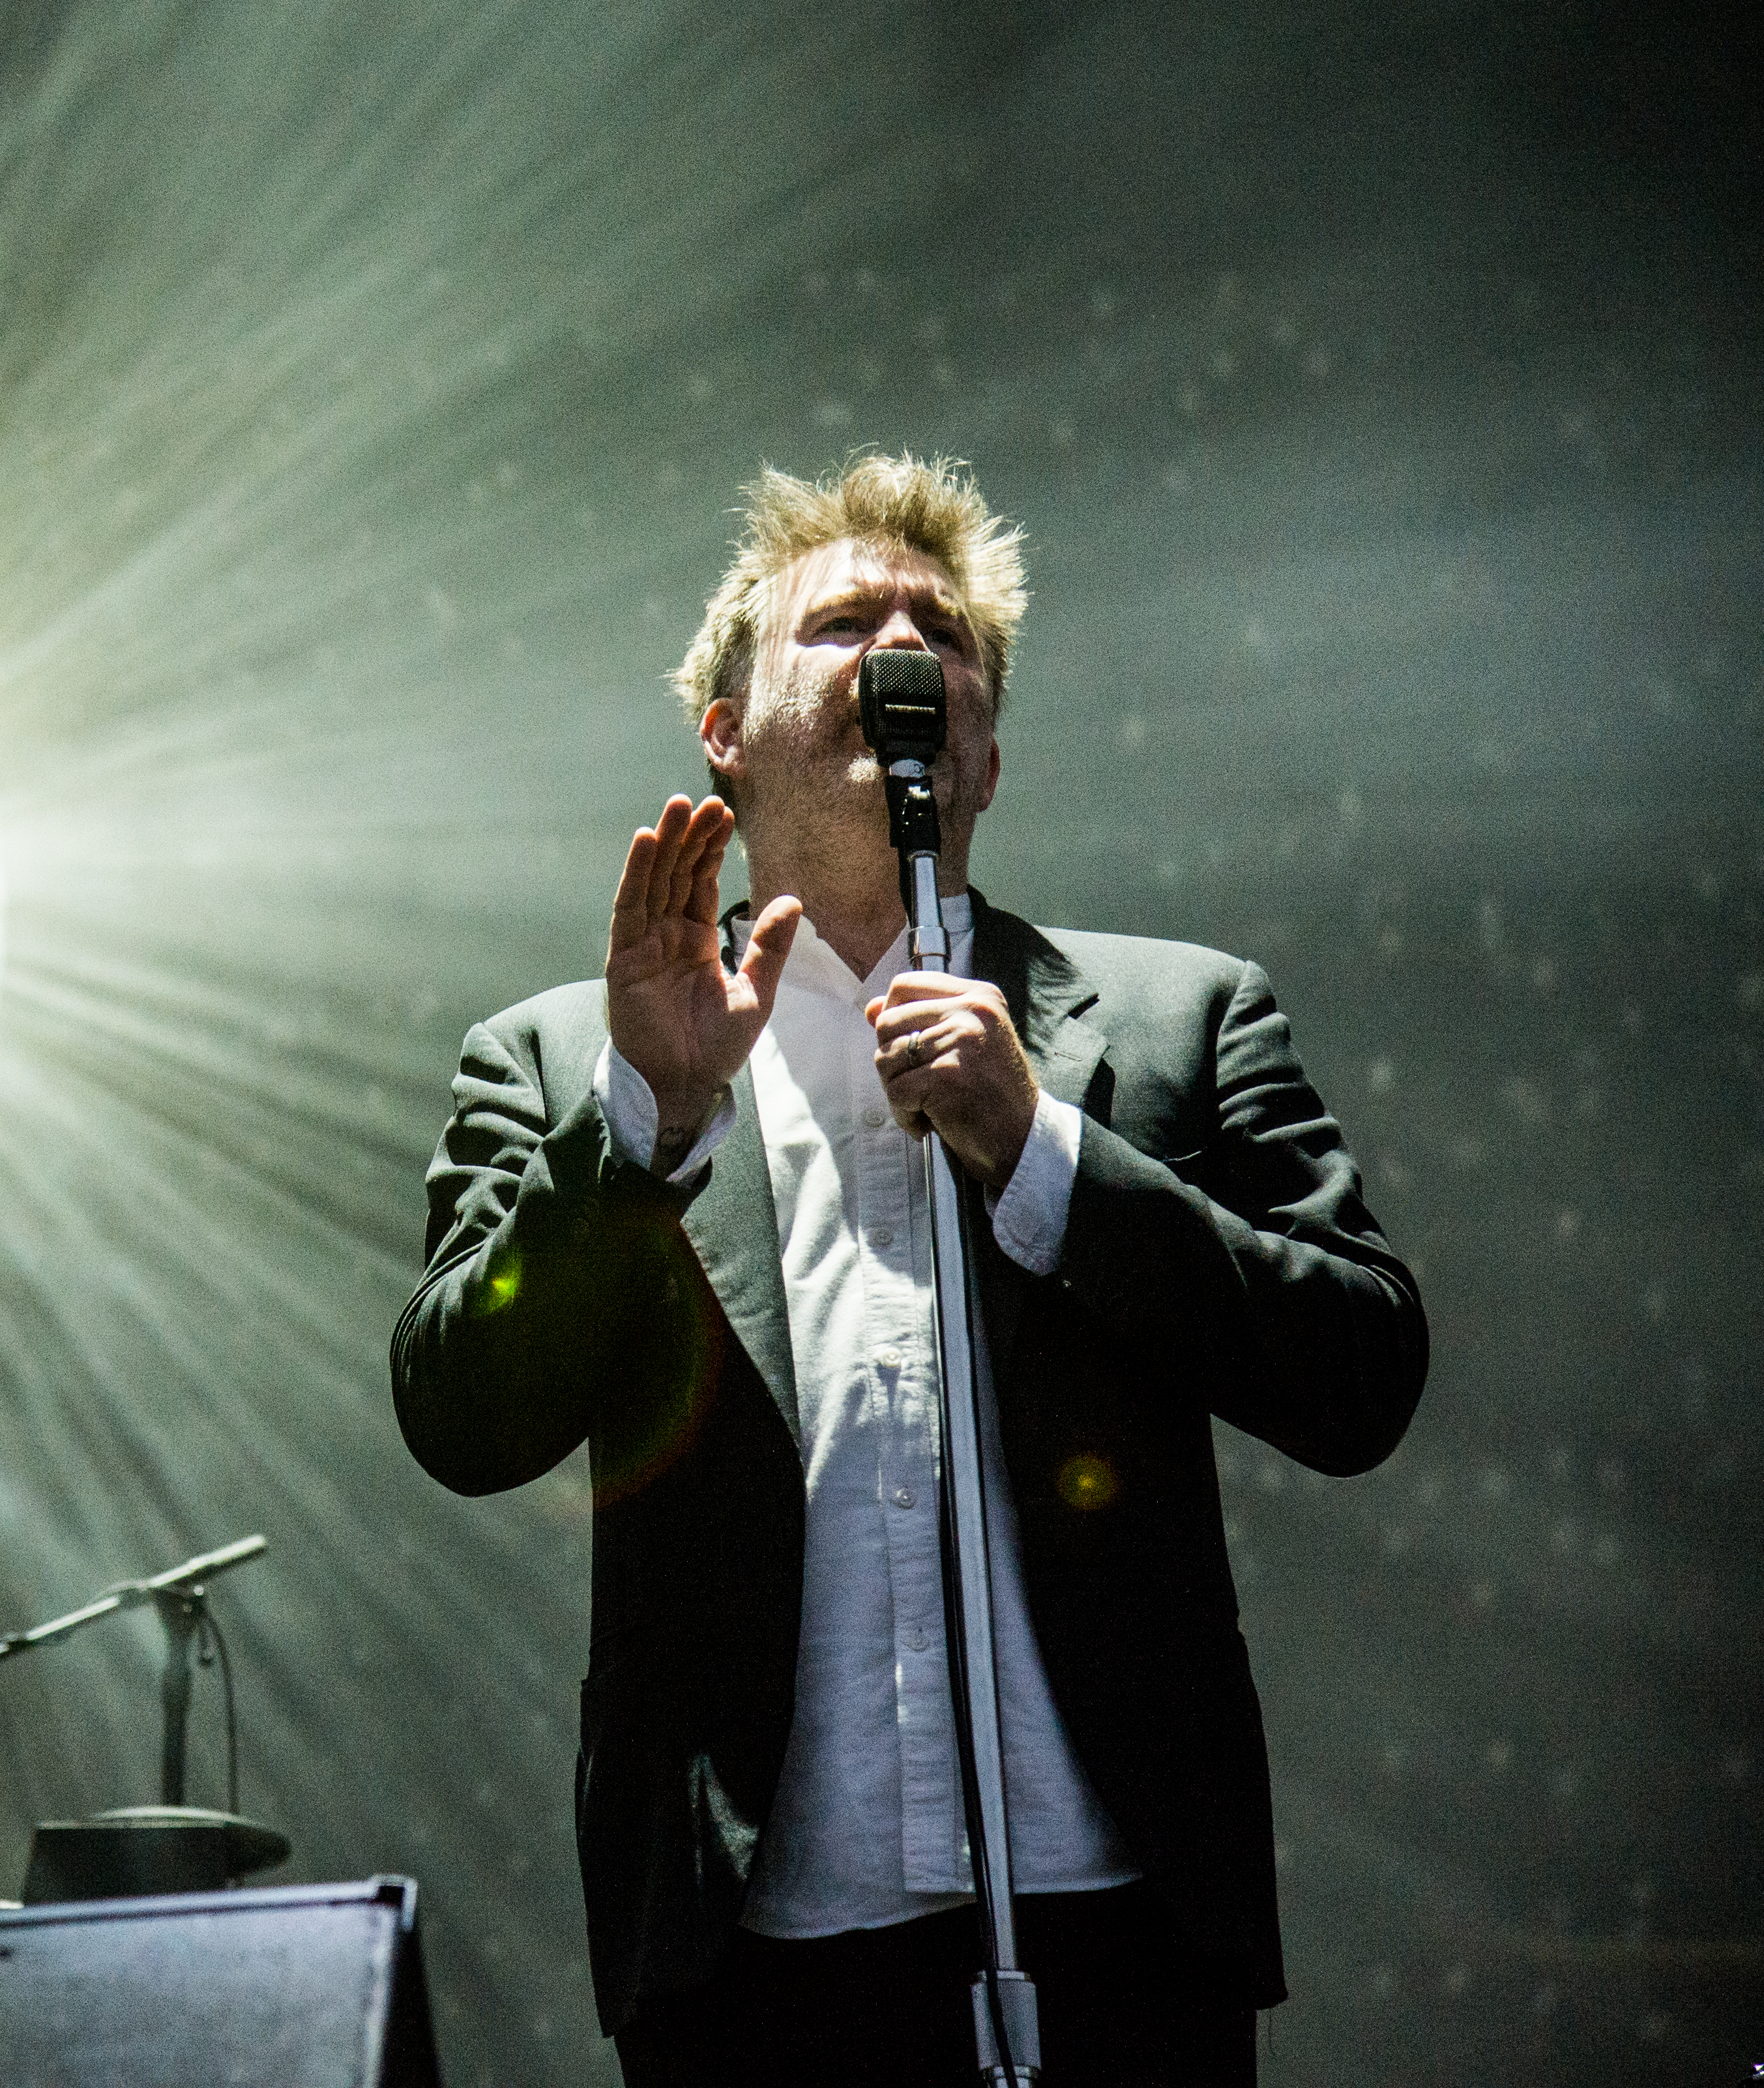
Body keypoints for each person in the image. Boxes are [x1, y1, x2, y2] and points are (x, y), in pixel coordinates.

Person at [390, 453, 1426, 2085]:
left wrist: (1048, 1154)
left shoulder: (1177, 1017)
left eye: (939, 631)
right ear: (722, 729)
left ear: (990, 751)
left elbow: (1362, 1369)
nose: (900, 649)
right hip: (757, 1956)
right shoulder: (560, 1053)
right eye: (844, 620)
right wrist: (647, 1118)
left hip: (1124, 1933)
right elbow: (460, 1408)